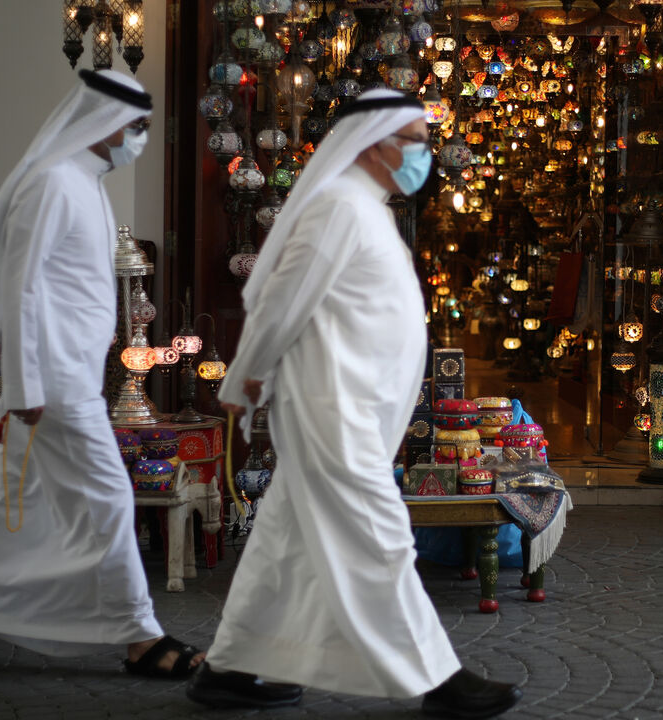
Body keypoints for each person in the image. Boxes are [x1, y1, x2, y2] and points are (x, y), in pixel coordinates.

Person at [186, 89, 523, 718]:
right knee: (380, 535)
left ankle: (230, 667)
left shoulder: (365, 208)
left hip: (352, 407)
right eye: (417, 140)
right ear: (375, 143)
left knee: (283, 538)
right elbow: (280, 301)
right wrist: (246, 379)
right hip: (330, 408)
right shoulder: (339, 207)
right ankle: (436, 677)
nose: (426, 153)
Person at [0, 69, 204, 679]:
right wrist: (26, 385)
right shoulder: (52, 184)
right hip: (55, 384)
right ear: (103, 122)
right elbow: (20, 291)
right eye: (135, 127)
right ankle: (141, 638)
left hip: (68, 377)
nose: (139, 138)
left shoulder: (82, 181)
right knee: (112, 496)